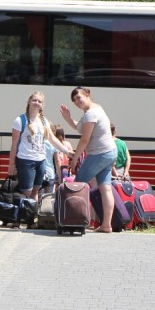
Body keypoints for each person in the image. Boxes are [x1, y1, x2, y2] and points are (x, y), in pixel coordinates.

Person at [60, 86, 118, 233]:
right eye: (74, 101)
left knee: (78, 183)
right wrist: (68, 119)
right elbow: (80, 128)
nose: (77, 102)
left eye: (79, 97)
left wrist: (74, 160)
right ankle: (106, 225)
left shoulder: (90, 114)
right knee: (105, 189)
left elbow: (84, 139)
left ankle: (74, 219)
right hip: (109, 152)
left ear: (87, 94)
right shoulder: (96, 109)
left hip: (100, 154)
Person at [8, 92, 73, 207]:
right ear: (29, 101)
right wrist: (11, 165)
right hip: (26, 160)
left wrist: (67, 152)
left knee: (35, 191)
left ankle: (32, 218)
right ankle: (22, 217)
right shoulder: (20, 120)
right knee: (26, 191)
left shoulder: (44, 121)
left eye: (39, 101)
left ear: (42, 105)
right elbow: (14, 144)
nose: (37, 103)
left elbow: (52, 139)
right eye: (34, 100)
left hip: (41, 160)